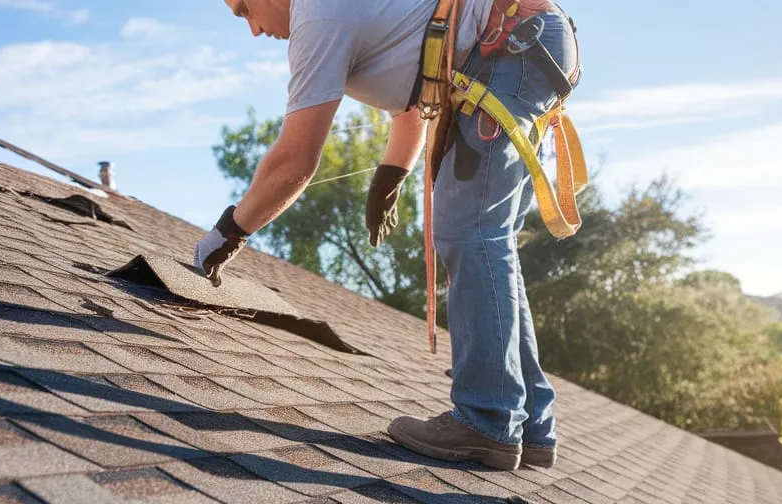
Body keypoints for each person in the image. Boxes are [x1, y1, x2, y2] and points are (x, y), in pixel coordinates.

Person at [197, 0, 580, 470]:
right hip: (528, 39)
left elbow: (294, 160)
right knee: (487, 236)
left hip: (513, 40)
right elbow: (415, 91)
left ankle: (488, 420)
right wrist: (391, 175)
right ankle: (531, 426)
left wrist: (228, 232)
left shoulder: (317, 17)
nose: (254, 30)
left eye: (244, 11)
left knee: (471, 232)